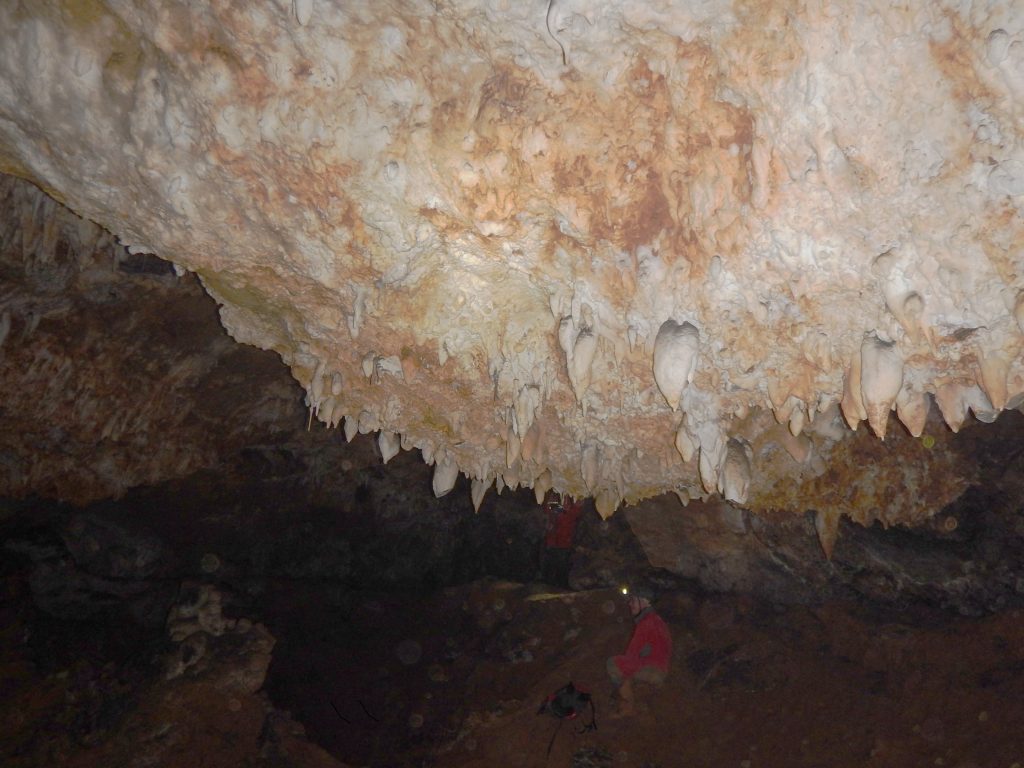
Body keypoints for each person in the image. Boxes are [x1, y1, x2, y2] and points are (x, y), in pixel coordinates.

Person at [607, 585, 672, 718]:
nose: (630, 604)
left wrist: (622, 679)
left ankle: (625, 705)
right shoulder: (657, 621)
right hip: (660, 670)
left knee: (613, 664)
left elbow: (633, 653)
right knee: (625, 670)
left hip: (650, 669)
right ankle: (634, 704)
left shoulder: (646, 623)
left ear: (645, 602)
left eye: (633, 600)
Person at [539, 491, 583, 588]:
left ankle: (561, 586)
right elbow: (548, 510)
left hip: (563, 542)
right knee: (551, 567)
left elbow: (573, 512)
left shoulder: (569, 507)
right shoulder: (555, 503)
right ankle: (550, 585)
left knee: (562, 567)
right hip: (553, 542)